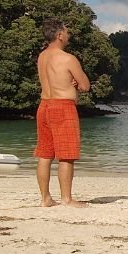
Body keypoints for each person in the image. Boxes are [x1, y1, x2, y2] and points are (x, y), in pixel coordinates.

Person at [35, 19, 91, 207]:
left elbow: (55, 78)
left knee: (45, 154)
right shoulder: (68, 58)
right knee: (66, 154)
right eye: (66, 32)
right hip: (63, 106)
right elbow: (85, 85)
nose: (68, 35)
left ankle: (45, 198)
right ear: (59, 35)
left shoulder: (42, 57)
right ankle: (66, 199)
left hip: (44, 105)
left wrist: (70, 81)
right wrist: (76, 82)